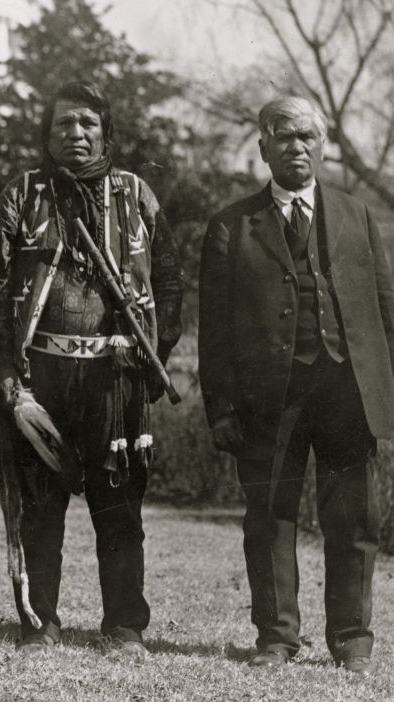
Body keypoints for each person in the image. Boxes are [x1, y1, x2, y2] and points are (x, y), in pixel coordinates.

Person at [0, 81, 182, 657]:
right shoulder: (23, 195)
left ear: (106, 133)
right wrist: (2, 368)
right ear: (48, 134)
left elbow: (169, 283)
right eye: (65, 123)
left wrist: (156, 357)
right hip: (40, 376)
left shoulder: (137, 195)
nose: (76, 133)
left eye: (88, 124)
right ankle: (40, 622)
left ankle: (123, 626)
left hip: (117, 376)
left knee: (119, 505)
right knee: (39, 507)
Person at [199, 97, 394, 675]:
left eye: (308, 135)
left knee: (355, 519)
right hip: (267, 400)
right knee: (268, 518)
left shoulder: (357, 215)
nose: (297, 146)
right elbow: (213, 332)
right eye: (283, 136)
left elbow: (387, 312)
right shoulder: (231, 225)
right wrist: (221, 409)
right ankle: (277, 639)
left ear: (324, 143)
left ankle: (353, 640)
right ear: (262, 145)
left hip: (348, 393)